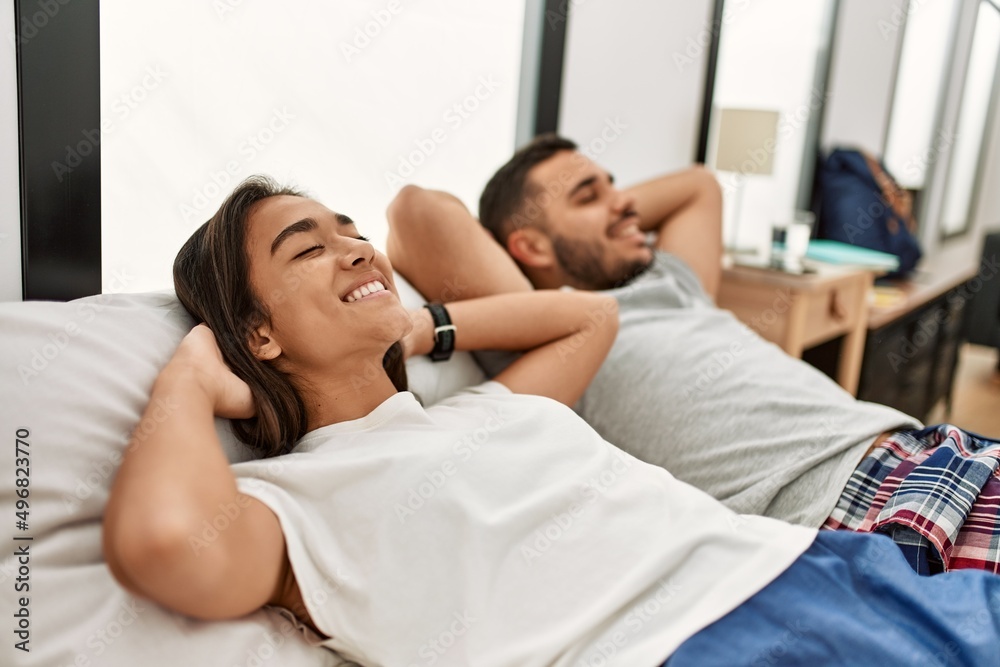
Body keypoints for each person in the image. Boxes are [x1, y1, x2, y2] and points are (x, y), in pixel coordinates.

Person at [101, 175, 1000, 666]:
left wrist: (416, 325)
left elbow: (589, 318)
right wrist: (190, 378)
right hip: (695, 645)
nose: (356, 250)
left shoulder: (486, 409)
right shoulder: (293, 501)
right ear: (256, 333)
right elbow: (164, 544)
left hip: (814, 565)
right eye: (309, 247)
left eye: (350, 231)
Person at [385, 134, 1000, 577]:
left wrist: (599, 210)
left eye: (617, 187)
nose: (626, 204)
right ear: (530, 247)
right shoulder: (550, 332)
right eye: (589, 195)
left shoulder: (673, 283)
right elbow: (416, 208)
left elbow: (698, 185)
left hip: (931, 450)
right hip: (855, 508)